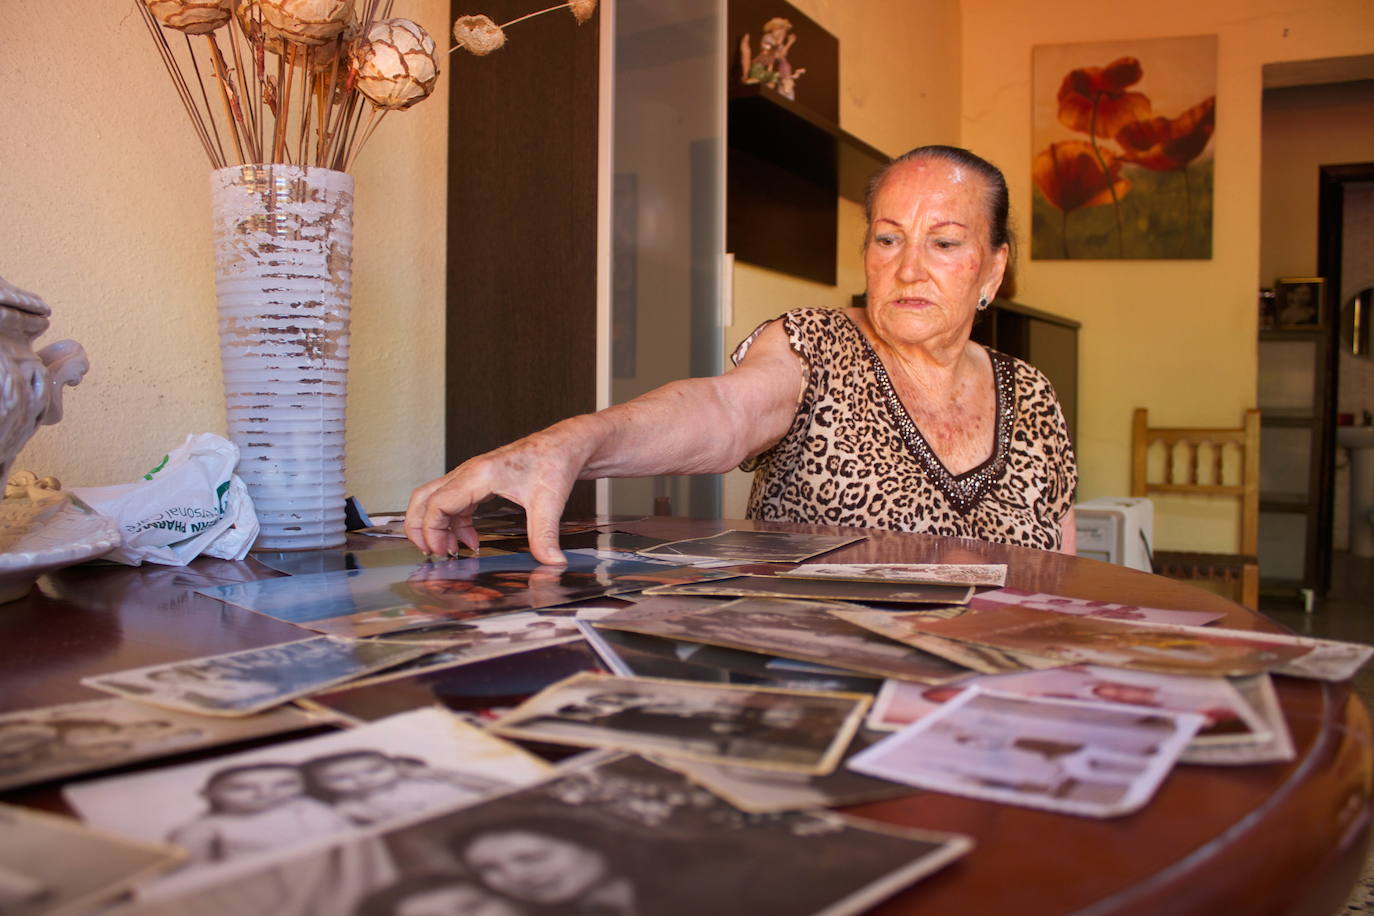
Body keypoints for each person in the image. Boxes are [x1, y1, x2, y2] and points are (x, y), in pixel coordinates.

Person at [406, 146, 1077, 564]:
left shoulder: (1035, 395)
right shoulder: (815, 344)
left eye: (945, 242)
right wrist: (565, 446)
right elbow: (722, 413)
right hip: (821, 682)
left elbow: (1067, 574)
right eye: (888, 239)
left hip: (993, 699)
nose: (907, 269)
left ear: (992, 269)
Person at [168, 762, 352, 864]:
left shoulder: (306, 807)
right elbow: (191, 868)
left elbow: (344, 830)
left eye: (284, 784)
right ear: (206, 794)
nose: (266, 793)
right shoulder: (207, 827)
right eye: (242, 788)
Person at [302, 750, 510, 827]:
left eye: (374, 770)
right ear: (320, 784)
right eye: (340, 778)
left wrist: (449, 775)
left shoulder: (422, 778)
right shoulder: (349, 806)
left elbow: (494, 785)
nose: (361, 780)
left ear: (395, 766)